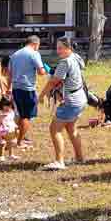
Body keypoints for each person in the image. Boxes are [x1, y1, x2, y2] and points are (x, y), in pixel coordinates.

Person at [39, 38, 87, 170]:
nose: (58, 51)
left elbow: (53, 81)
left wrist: (41, 96)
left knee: (54, 129)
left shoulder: (65, 62)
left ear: (69, 48)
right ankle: (79, 158)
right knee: (71, 129)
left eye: (61, 48)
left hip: (71, 101)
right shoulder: (76, 57)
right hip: (80, 99)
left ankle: (59, 161)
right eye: (57, 47)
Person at [6, 35, 47, 150]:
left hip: (16, 89)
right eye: (38, 46)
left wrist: (9, 88)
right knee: (26, 117)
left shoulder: (15, 55)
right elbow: (41, 72)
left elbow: (9, 74)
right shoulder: (34, 53)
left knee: (20, 115)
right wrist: (46, 69)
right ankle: (19, 142)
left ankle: (16, 138)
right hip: (27, 89)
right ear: (35, 44)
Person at [0, 96, 18, 162]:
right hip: (2, 131)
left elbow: (12, 120)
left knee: (10, 143)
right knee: (2, 143)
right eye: (6, 106)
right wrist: (0, 116)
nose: (8, 108)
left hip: (10, 129)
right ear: (2, 105)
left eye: (9, 106)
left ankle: (11, 155)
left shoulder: (11, 112)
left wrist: (15, 127)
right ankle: (1, 156)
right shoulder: (0, 112)